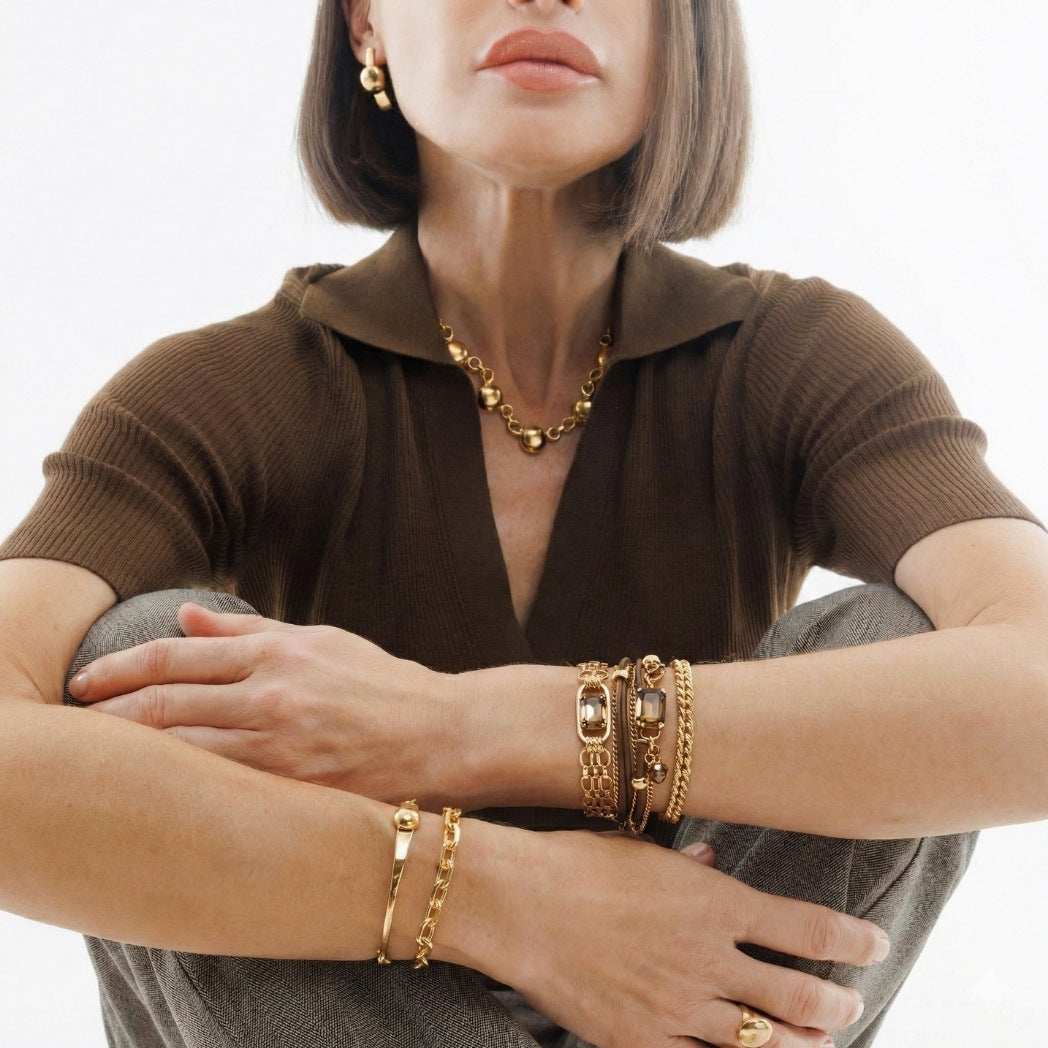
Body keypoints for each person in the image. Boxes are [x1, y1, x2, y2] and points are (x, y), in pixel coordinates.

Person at [0, 2, 1046, 1047]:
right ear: (366, 25)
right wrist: (506, 899)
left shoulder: (800, 361)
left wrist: (454, 725)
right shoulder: (218, 395)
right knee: (138, 656)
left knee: (907, 642)